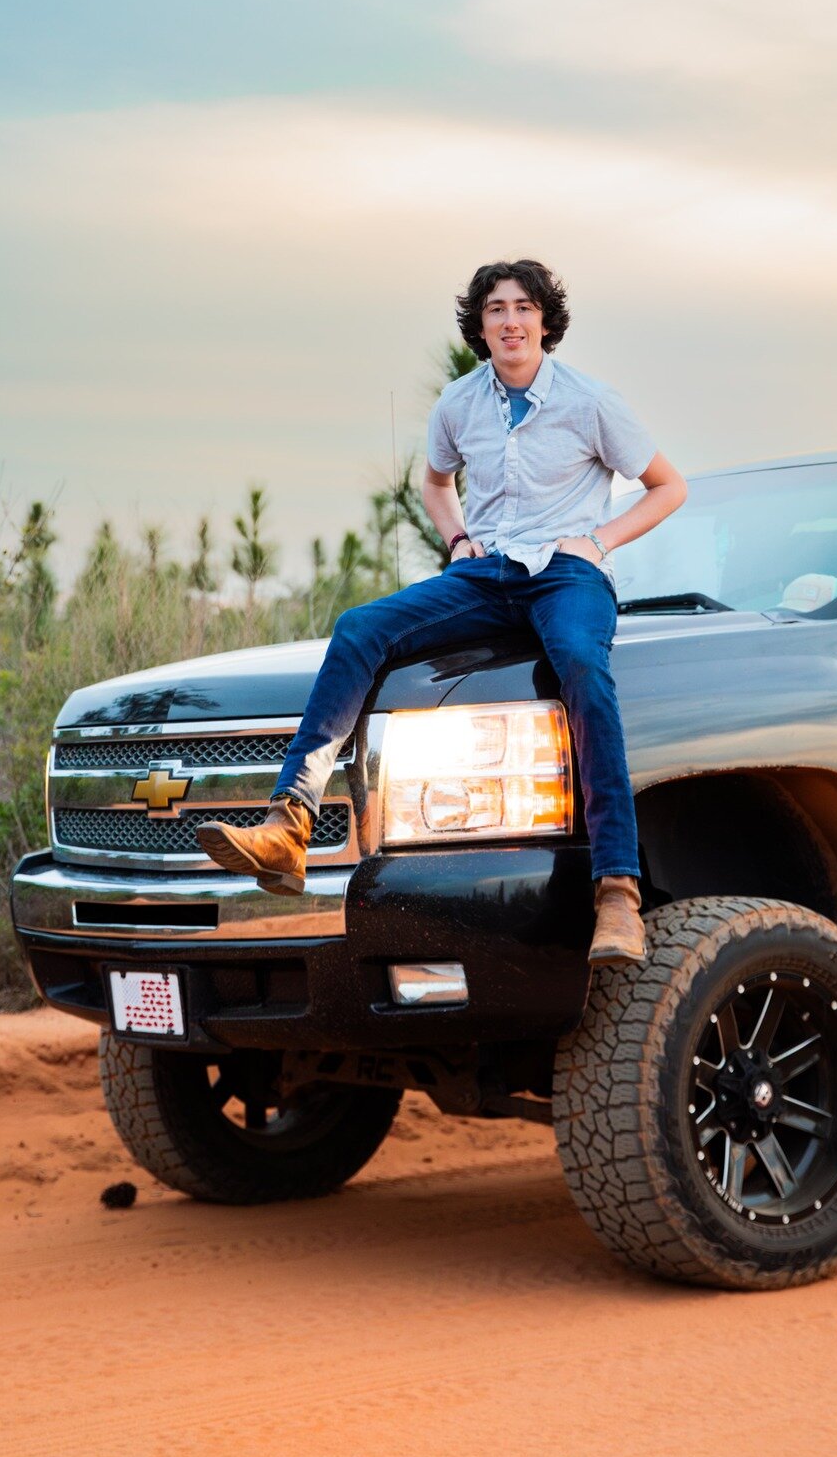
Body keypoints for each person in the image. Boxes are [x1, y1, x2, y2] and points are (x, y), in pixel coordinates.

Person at [197, 259, 686, 962]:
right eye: (495, 310)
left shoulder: (591, 402)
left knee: (581, 665)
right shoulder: (458, 403)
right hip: (486, 575)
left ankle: (616, 891)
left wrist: (598, 539)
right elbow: (434, 481)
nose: (510, 321)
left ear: (545, 321)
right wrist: (457, 536)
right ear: (478, 325)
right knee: (360, 628)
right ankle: (288, 827)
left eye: (522, 308)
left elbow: (667, 487)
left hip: (567, 574)